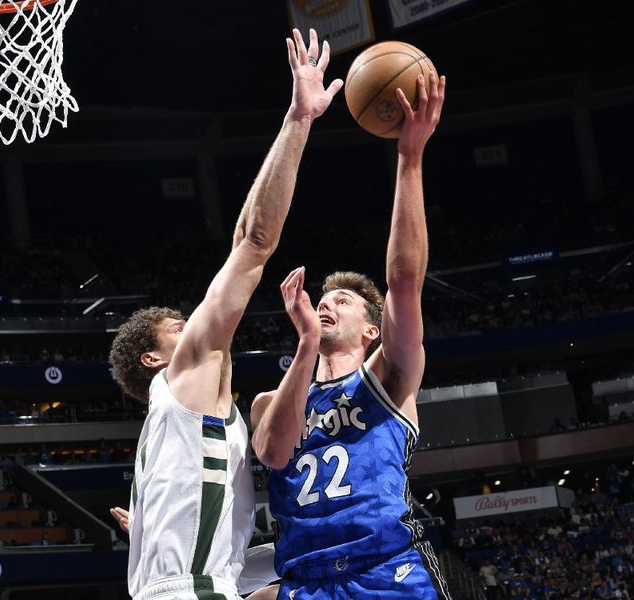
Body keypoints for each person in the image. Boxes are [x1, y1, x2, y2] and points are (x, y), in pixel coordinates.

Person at [107, 28, 342, 600]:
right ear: (155, 356)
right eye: (179, 327)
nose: (198, 326)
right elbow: (254, 240)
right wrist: (299, 118)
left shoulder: (176, 430)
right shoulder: (184, 374)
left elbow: (220, 566)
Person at [250, 71, 450, 599]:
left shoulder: (389, 374)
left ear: (371, 330)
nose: (326, 302)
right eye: (323, 299)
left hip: (386, 570)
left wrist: (410, 158)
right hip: (306, 582)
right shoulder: (270, 400)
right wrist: (307, 345)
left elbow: (404, 281)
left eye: (343, 302)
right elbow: (273, 453)